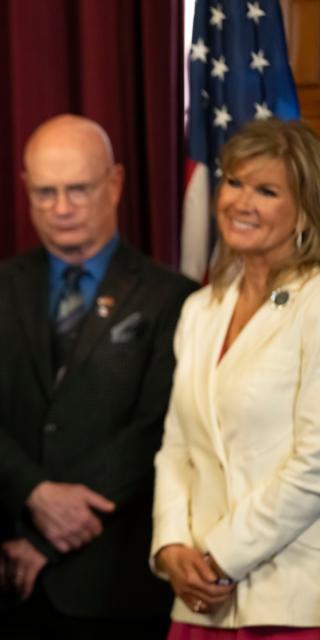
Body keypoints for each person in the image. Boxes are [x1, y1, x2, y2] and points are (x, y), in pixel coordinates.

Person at [0, 114, 197, 637]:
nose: (62, 208)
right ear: (26, 189)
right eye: (46, 192)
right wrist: (32, 493)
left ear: (115, 184)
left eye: (78, 189)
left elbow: (156, 427)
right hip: (7, 576)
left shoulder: (174, 297)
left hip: (117, 582)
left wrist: (51, 538)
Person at [152, 119, 320, 637]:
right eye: (234, 183)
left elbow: (315, 461)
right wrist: (173, 547)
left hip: (291, 599)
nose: (241, 202)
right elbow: (178, 445)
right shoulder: (201, 309)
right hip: (200, 600)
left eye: (266, 191)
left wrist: (221, 556)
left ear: (304, 210)